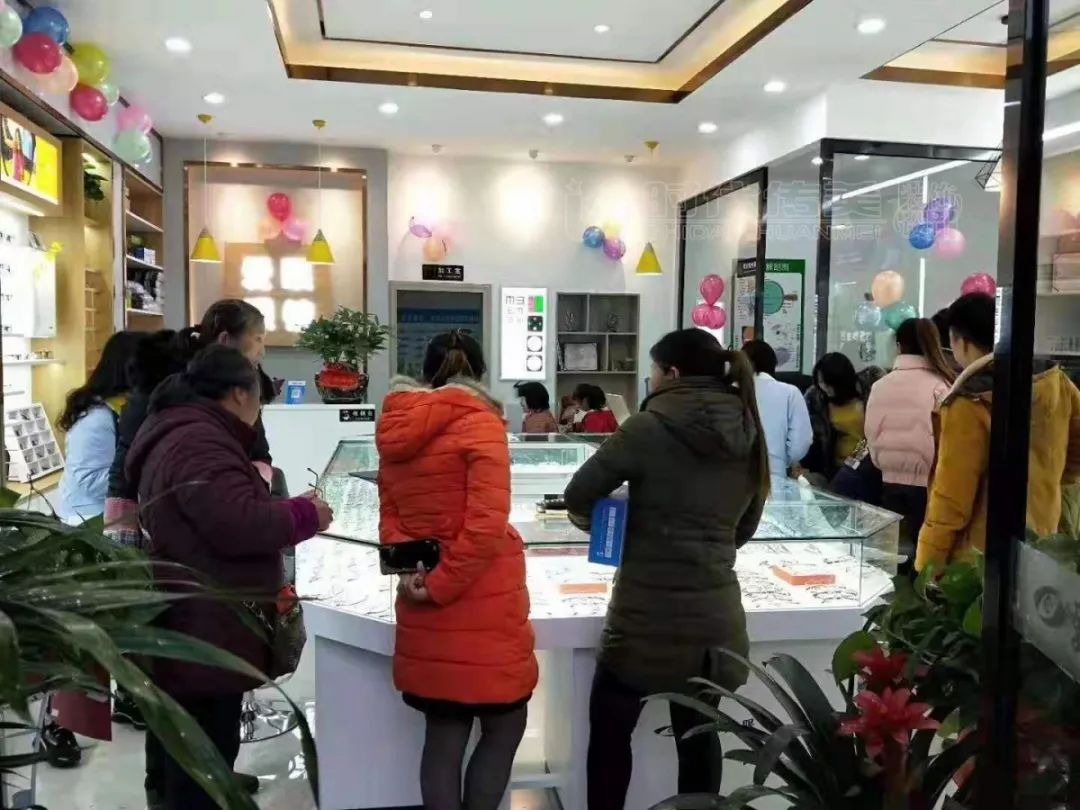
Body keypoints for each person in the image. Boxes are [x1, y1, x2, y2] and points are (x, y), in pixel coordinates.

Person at [563, 328, 768, 809]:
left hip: (643, 619)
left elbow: (577, 496)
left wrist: (619, 528)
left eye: (653, 371)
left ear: (671, 373)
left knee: (611, 735)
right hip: (715, 623)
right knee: (699, 737)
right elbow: (746, 524)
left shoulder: (645, 427)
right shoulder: (747, 427)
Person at [125, 345, 332, 810]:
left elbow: (217, 509)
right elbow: (237, 523)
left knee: (185, 746)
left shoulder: (182, 430)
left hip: (192, 618)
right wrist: (305, 515)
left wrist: (284, 508)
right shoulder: (201, 441)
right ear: (240, 393)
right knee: (203, 752)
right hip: (206, 624)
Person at [106, 301, 270, 806]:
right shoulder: (189, 406)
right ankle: (181, 785)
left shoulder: (186, 397)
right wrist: (274, 506)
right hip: (178, 562)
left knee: (181, 687)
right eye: (258, 340)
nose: (261, 351)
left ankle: (191, 780)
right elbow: (231, 515)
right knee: (188, 685)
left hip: (177, 556)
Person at [377, 330, 537, 810]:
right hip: (482, 602)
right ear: (481, 373)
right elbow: (486, 525)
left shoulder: (396, 422)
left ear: (426, 371)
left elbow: (389, 512)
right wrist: (443, 584)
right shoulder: (482, 422)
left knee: (443, 732)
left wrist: (410, 574)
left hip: (422, 594)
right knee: (505, 726)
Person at [917, 293, 1080, 571]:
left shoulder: (969, 401)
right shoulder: (1056, 382)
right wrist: (1050, 488)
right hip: (1042, 539)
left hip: (980, 558)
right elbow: (1075, 454)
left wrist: (928, 565)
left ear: (960, 341)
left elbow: (952, 499)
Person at [864, 318, 954, 572]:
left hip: (888, 480)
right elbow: (948, 436)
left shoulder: (880, 386)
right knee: (925, 556)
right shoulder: (941, 385)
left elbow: (870, 432)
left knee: (893, 554)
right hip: (928, 483)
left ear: (898, 346)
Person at [56, 330, 141, 523]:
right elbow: (89, 480)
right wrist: (143, 472)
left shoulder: (121, 407)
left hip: (111, 513)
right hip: (89, 519)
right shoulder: (97, 417)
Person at [742, 339, 812, 485]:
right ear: (773, 364)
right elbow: (801, 442)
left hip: (735, 475)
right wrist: (781, 459)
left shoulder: (732, 391)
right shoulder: (790, 392)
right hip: (774, 475)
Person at [803, 352, 883, 481]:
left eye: (828, 383)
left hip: (868, 463)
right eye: (821, 382)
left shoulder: (868, 393)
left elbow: (869, 439)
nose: (824, 387)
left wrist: (853, 463)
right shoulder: (816, 400)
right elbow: (811, 438)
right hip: (835, 467)